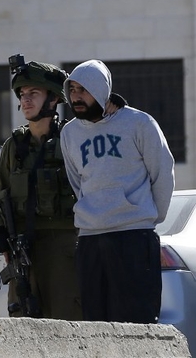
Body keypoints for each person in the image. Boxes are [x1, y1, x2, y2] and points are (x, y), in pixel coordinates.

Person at [61, 59, 175, 324]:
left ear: (101, 89)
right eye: (73, 89)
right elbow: (76, 182)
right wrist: (94, 213)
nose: (76, 96)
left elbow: (162, 173)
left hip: (133, 237)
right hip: (90, 239)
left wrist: (146, 217)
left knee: (137, 323)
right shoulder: (70, 133)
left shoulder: (139, 123)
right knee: (95, 326)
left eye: (84, 89)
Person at [0, 56, 84, 320]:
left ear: (52, 100)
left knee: (68, 322)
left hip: (64, 247)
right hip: (24, 250)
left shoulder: (71, 140)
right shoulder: (14, 147)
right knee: (24, 323)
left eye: (34, 93)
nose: (25, 99)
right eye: (23, 94)